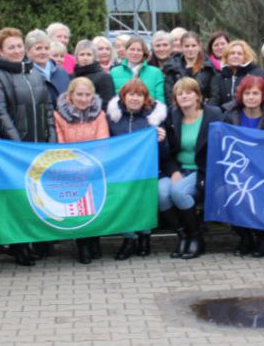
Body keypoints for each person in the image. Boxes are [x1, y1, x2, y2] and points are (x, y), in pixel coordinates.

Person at [0, 28, 53, 266]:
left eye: (18, 47)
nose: (16, 51)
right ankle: (19, 246)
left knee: (36, 195)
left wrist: (51, 138)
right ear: (2, 51)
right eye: (10, 48)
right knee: (17, 196)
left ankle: (37, 240)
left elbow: (47, 107)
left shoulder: (34, 71)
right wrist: (17, 144)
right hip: (16, 146)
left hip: (39, 143)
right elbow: (1, 112)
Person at [222, 76, 264, 257]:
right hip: (238, 170)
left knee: (256, 191)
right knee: (224, 192)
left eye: (255, 93)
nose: (251, 97)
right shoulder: (230, 114)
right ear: (241, 96)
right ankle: (245, 237)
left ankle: (262, 237)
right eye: (247, 93)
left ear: (263, 95)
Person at [106, 78, 169, 260]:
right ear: (123, 97)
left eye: (139, 95)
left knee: (145, 198)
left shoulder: (154, 120)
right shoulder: (113, 119)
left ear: (145, 98)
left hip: (146, 172)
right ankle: (129, 239)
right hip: (121, 173)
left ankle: (145, 237)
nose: (134, 98)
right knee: (123, 198)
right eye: (131, 94)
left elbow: (165, 155)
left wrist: (162, 141)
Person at [161, 78, 221, 260]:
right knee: (161, 193)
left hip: (202, 170)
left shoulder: (214, 114)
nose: (184, 96)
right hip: (179, 169)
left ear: (198, 96)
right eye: (180, 93)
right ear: (175, 98)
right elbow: (168, 152)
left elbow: (221, 146)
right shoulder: (172, 116)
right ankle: (183, 236)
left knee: (179, 192)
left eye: (189, 92)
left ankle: (196, 238)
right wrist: (174, 171)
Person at [53, 78, 110, 264]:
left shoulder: (99, 115)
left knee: (96, 205)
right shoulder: (59, 115)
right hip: (70, 169)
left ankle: (95, 240)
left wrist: (90, 166)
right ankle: (83, 244)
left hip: (93, 167)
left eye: (87, 95)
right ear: (70, 95)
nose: (83, 99)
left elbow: (103, 142)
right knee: (79, 208)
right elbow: (60, 143)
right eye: (79, 94)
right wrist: (73, 166)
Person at [110, 35, 166, 103]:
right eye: (132, 49)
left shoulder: (156, 72)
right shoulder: (114, 72)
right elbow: (111, 100)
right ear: (126, 51)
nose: (135, 53)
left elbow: (160, 100)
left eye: (139, 50)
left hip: (149, 112)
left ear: (144, 53)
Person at [209, 40, 263, 108]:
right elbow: (214, 101)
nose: (235, 56)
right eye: (232, 53)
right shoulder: (218, 78)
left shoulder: (256, 74)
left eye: (239, 54)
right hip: (224, 116)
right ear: (227, 56)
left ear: (245, 57)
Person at [26, 29, 71, 106]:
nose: (43, 52)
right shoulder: (24, 74)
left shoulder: (61, 72)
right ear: (27, 51)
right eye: (38, 48)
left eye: (46, 48)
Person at [72, 39, 117, 107]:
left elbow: (108, 104)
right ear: (76, 57)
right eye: (82, 54)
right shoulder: (71, 76)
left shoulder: (104, 77)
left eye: (89, 55)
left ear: (94, 57)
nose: (85, 58)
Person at [178, 31, 218, 105]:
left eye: (194, 46)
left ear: (199, 46)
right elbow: (170, 95)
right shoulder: (174, 68)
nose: (190, 49)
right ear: (181, 47)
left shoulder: (208, 68)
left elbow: (214, 95)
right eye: (187, 46)